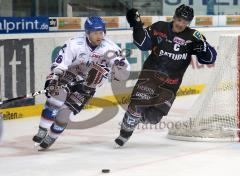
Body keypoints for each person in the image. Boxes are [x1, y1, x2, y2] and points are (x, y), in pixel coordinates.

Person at [115, 4, 217, 147]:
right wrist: (136, 25)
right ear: (174, 17)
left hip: (171, 84)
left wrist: (205, 48)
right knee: (138, 106)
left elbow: (210, 59)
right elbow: (142, 44)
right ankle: (125, 132)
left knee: (153, 118)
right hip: (151, 76)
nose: (181, 24)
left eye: (185, 21)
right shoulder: (160, 27)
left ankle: (135, 117)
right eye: (179, 20)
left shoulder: (193, 36)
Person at [33, 16, 130, 150]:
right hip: (69, 74)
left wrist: (116, 72)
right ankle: (42, 129)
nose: (99, 36)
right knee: (57, 96)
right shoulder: (74, 43)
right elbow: (61, 63)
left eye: (101, 32)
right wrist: (59, 75)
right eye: (95, 33)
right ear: (87, 33)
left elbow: (124, 70)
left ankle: (52, 136)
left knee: (63, 115)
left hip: (88, 85)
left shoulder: (110, 48)